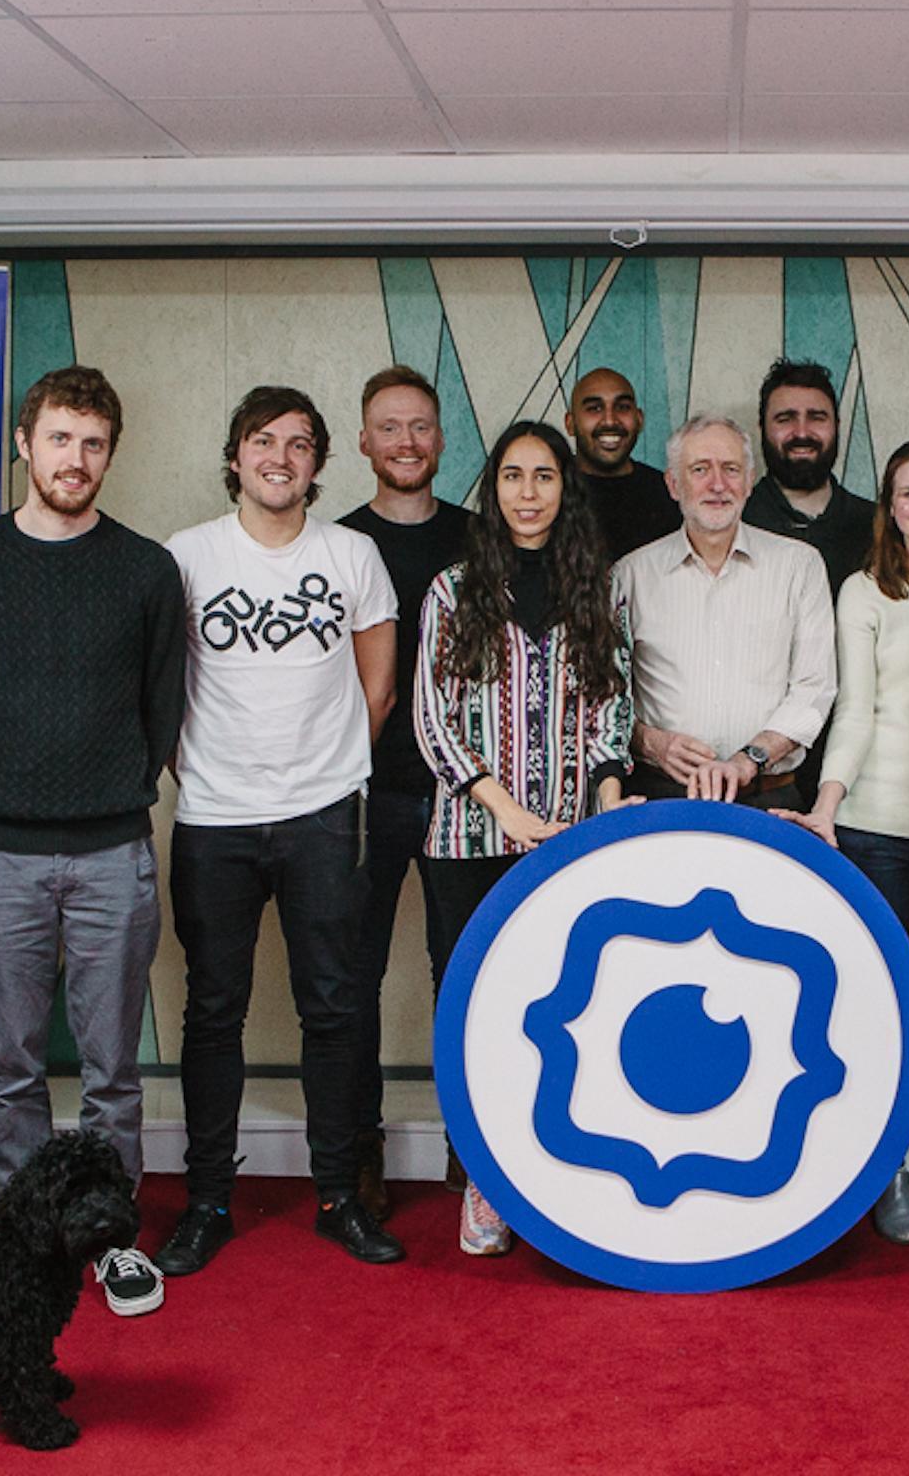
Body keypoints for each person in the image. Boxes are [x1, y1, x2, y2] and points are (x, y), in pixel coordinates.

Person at [0, 365, 184, 1319]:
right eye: (60, 439)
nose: (75, 459)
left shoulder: (145, 569)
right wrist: (0, 799)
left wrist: (111, 791)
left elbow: (163, 709)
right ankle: (22, 1244)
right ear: (24, 446)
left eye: (94, 444)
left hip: (113, 852)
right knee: (14, 1064)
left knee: (116, 1069)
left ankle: (111, 1240)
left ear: (110, 455)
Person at [156, 385, 402, 1275]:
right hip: (214, 818)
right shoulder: (185, 556)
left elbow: (377, 688)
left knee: (332, 1007)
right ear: (235, 456)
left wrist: (326, 771)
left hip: (324, 815)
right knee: (213, 1012)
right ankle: (208, 1201)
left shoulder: (353, 554)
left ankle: (339, 1196)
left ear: (318, 465)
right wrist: (209, 773)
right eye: (264, 441)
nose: (281, 457)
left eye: (300, 444)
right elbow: (164, 687)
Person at [414, 421, 635, 1256]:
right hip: (472, 837)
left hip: (574, 838)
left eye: (544, 475)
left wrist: (609, 790)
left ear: (564, 488)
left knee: (568, 1008)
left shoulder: (601, 589)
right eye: (512, 475)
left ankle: (560, 1176)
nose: (528, 492)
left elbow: (616, 702)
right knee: (477, 1009)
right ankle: (486, 1181)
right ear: (493, 487)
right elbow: (432, 719)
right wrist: (504, 808)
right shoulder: (452, 589)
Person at [781, 441, 909, 1244]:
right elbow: (857, 710)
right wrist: (828, 805)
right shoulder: (865, 590)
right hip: (876, 828)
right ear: (890, 506)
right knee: (888, 1013)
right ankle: (889, 1170)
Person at [338, 365, 470, 1214]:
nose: (407, 443)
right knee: (354, 976)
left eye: (420, 426)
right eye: (390, 428)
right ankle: (357, 1149)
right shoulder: (334, 543)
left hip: (467, 790)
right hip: (365, 791)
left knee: (467, 972)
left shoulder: (482, 537)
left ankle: (476, 1151)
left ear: (441, 438)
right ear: (362, 442)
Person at [614, 416, 835, 811]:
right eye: (700, 470)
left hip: (769, 797)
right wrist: (651, 743)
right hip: (663, 797)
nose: (718, 484)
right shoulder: (629, 576)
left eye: (731, 469)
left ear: (750, 481)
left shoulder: (800, 566)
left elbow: (814, 688)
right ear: (673, 484)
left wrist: (750, 758)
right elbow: (605, 697)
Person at [743, 358, 876, 600]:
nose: (802, 432)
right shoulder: (736, 523)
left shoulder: (878, 526)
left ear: (837, 426)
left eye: (816, 417)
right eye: (785, 419)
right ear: (761, 428)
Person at [565, 366, 679, 561]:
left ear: (639, 420)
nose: (610, 420)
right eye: (594, 408)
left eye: (623, 407)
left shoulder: (668, 494)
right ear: (570, 423)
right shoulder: (551, 492)